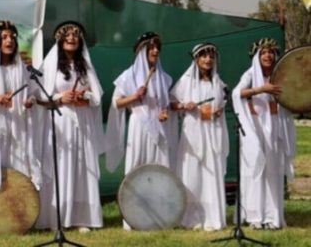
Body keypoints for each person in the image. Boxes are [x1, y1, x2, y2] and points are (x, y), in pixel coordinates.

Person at [35, 21, 105, 233]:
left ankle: (81, 217)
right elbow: (39, 96)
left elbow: (97, 94)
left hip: (82, 121)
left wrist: (85, 97)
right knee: (61, 165)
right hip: (60, 121)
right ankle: (57, 217)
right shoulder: (50, 66)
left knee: (82, 165)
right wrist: (60, 98)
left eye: (76, 35)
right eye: (68, 36)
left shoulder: (85, 66)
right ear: (60, 40)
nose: (72, 38)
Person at [232, 38, 296, 230]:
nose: (268, 56)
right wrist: (261, 89)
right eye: (264, 53)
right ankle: (254, 216)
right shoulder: (251, 74)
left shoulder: (281, 75)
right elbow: (237, 93)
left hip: (275, 126)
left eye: (271, 52)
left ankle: (272, 217)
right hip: (256, 127)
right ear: (257, 57)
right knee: (256, 168)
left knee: (273, 170)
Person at [0, 20, 40, 192]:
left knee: (19, 167)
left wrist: (29, 101)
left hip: (18, 126)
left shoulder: (21, 69)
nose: (9, 41)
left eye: (12, 37)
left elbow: (33, 93)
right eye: (4, 37)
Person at [170, 43, 229, 231]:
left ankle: (212, 217)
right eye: (204, 56)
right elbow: (171, 103)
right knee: (192, 173)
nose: (208, 59)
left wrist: (219, 111)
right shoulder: (186, 81)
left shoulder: (218, 83)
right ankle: (190, 218)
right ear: (196, 59)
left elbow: (222, 104)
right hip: (193, 133)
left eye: (211, 56)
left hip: (212, 133)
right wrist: (183, 106)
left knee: (211, 173)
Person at [106, 32, 177, 178]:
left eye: (157, 48)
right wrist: (135, 96)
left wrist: (164, 112)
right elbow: (116, 103)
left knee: (160, 167)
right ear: (142, 51)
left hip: (160, 126)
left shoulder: (164, 78)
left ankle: (159, 193)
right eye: (151, 48)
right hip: (139, 125)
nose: (156, 51)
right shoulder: (128, 76)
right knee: (137, 165)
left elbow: (164, 104)